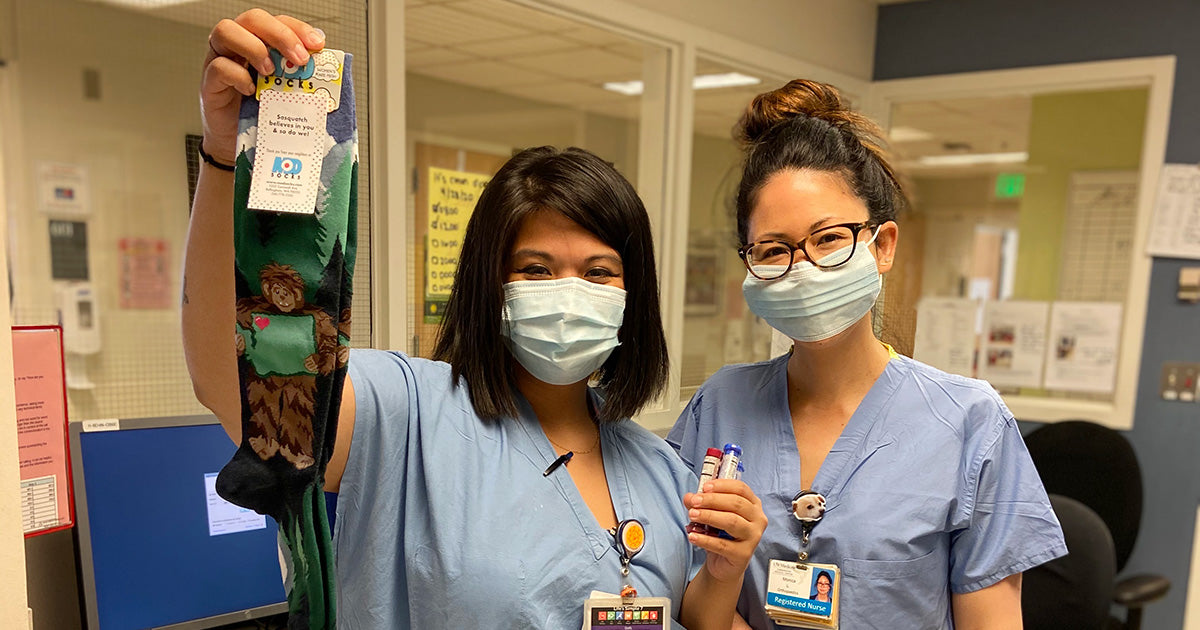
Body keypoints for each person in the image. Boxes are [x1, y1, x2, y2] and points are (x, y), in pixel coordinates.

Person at [183, 10, 767, 628]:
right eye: (536, 269)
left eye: (598, 273)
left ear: (634, 298)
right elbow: (240, 384)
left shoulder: (659, 469)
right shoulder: (407, 417)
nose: (569, 294)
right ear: (490, 287)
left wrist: (723, 576)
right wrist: (225, 155)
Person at [667, 79, 1066, 629]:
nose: (802, 268)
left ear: (883, 245)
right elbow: (690, 610)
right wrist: (720, 572)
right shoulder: (720, 404)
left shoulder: (969, 423)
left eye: (828, 238)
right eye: (775, 249)